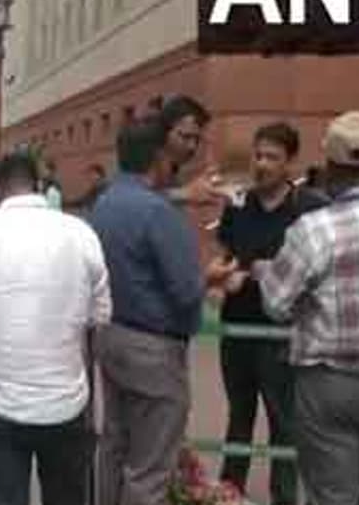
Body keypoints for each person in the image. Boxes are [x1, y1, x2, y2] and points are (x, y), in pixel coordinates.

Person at [0, 152, 111, 505]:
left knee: (6, 497)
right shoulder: (81, 234)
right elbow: (101, 314)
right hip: (66, 403)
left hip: (3, 403)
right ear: (38, 186)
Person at [256, 111, 359, 505]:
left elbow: (275, 304)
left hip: (330, 384)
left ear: (330, 167)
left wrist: (268, 273)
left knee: (332, 496)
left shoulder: (314, 229)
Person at [206, 122, 327, 505]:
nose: (261, 164)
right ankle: (230, 493)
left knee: (283, 421)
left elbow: (316, 268)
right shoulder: (239, 203)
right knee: (239, 417)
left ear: (290, 163)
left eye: (272, 157)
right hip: (237, 329)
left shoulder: (308, 208)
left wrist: (260, 273)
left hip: (282, 335)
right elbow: (224, 254)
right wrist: (219, 278)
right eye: (258, 155)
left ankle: (284, 497)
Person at [89, 117, 204, 505]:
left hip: (111, 336)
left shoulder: (104, 204)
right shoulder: (157, 212)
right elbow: (186, 291)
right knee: (150, 466)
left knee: (115, 444)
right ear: (158, 156)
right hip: (153, 348)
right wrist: (212, 278)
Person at [158, 94, 228, 207]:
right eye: (186, 137)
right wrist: (183, 194)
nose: (192, 146)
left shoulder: (173, 167)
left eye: (197, 139)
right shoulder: (143, 161)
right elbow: (133, 198)